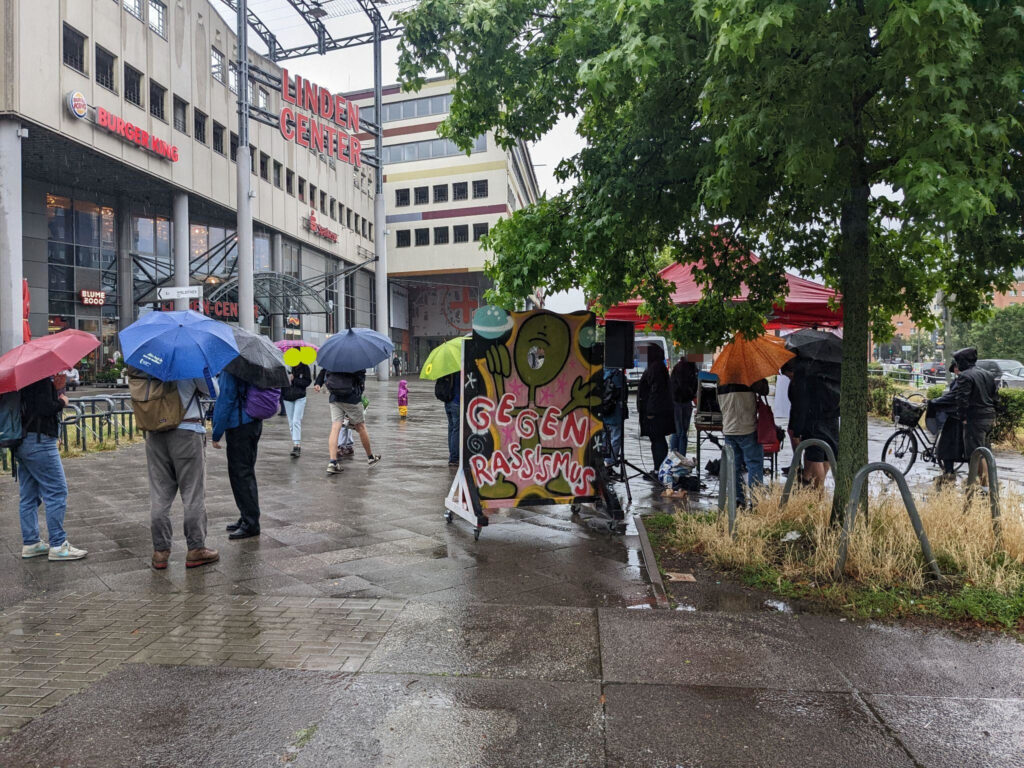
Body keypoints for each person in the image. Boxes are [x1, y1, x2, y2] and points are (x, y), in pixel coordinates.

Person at [142, 376, 217, 569]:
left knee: (159, 495)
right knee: (193, 494)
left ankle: (160, 552)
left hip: (155, 433)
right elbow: (214, 391)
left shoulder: (147, 364)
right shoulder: (189, 361)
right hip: (187, 432)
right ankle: (195, 548)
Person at [15, 376, 87, 562]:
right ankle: (58, 544)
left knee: (29, 495)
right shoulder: (39, 380)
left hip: (22, 440)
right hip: (39, 441)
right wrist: (61, 399)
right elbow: (45, 408)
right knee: (57, 491)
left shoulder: (24, 379)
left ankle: (31, 543)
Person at [931, 347, 997, 482]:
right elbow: (995, 397)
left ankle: (985, 485)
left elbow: (962, 400)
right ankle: (986, 483)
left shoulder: (965, 376)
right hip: (989, 417)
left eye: (958, 361)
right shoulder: (987, 374)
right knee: (985, 451)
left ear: (964, 361)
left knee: (976, 454)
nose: (957, 364)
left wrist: (963, 418)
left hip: (975, 419)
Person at [212, 370, 264, 540]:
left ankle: (250, 523)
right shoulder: (252, 365)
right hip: (253, 422)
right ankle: (247, 516)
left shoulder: (232, 367)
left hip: (239, 425)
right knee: (247, 472)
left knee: (240, 474)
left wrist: (216, 431)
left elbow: (225, 399)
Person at [315, 367, 381, 473]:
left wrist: (318, 383)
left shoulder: (333, 356)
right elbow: (360, 379)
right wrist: (360, 392)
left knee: (335, 427)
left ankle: (333, 462)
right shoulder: (356, 357)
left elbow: (324, 370)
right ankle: (370, 457)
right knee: (361, 427)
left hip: (334, 397)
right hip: (351, 398)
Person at [718, 378, 769, 507]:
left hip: (729, 430)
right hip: (747, 429)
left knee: (733, 467)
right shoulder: (748, 378)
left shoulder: (721, 380)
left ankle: (737, 500)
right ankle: (756, 501)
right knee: (754, 464)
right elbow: (765, 390)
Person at [637, 344, 674, 474]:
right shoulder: (657, 367)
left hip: (657, 413)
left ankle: (659, 469)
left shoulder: (656, 368)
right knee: (657, 440)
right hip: (659, 411)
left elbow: (656, 391)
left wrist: (651, 411)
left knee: (657, 440)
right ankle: (659, 468)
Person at [281, 361, 312, 458]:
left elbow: (308, 381)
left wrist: (295, 379)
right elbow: (279, 380)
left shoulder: (304, 367)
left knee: (296, 421)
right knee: (291, 422)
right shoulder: (284, 366)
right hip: (287, 397)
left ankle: (297, 446)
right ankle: (295, 443)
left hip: (300, 397)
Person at [669, 355, 699, 455]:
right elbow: (685, 387)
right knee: (681, 433)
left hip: (679, 402)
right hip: (681, 402)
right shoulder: (686, 369)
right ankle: (681, 458)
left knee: (677, 432)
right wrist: (693, 396)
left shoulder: (681, 368)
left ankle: (674, 457)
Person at [602, 366, 626, 472]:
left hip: (604, 411)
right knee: (616, 437)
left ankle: (604, 461)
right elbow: (622, 394)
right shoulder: (618, 375)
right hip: (615, 412)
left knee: (604, 437)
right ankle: (610, 462)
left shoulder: (601, 373)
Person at [435, 371, 460, 466]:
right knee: (456, 430)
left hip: (448, 402)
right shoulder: (458, 372)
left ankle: (452, 455)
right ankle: (454, 458)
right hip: (456, 402)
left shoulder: (446, 371)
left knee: (451, 429)